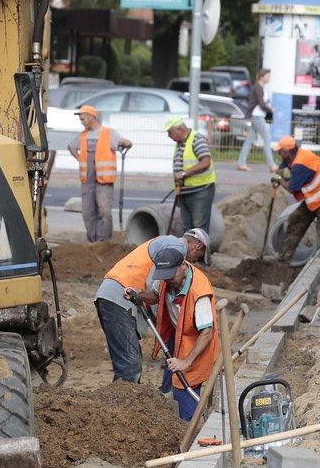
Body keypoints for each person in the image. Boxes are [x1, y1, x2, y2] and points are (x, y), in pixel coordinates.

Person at [96, 232, 208, 383]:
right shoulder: (175, 247)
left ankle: (123, 401)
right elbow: (155, 285)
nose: (192, 262)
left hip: (115, 295)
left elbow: (153, 293)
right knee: (130, 365)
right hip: (119, 296)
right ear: (198, 246)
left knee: (127, 361)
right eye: (198, 257)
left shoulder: (165, 242)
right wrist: (159, 320)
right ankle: (123, 404)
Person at [146, 237, 218, 421]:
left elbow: (207, 332)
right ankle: (170, 413)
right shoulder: (167, 279)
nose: (168, 279)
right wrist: (136, 294)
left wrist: (186, 361)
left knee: (184, 383)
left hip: (196, 342)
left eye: (171, 274)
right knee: (170, 377)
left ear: (183, 266)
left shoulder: (198, 291)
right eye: (164, 275)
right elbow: (154, 296)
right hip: (177, 336)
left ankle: (188, 427)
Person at [68, 105, 132, 242]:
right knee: (88, 212)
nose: (81, 122)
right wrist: (80, 159)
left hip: (104, 180)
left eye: (83, 119)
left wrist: (126, 143)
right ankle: (92, 242)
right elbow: (71, 146)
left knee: (104, 211)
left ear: (92, 117)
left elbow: (124, 142)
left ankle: (103, 242)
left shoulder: (108, 133)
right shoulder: (83, 135)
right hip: (87, 180)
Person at [271, 135, 320, 262]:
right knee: (296, 220)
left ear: (287, 151)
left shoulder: (300, 164)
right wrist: (278, 174)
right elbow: (281, 169)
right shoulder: (291, 157)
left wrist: (279, 180)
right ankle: (284, 257)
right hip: (314, 197)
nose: (279, 152)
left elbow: (292, 189)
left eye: (280, 150)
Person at [165, 116, 216, 234]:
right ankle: (190, 252)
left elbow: (205, 162)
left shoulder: (196, 139)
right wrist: (179, 192)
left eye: (170, 133)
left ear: (179, 129)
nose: (169, 136)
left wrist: (184, 173)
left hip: (200, 190)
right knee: (187, 229)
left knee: (199, 228)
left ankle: (202, 252)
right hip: (185, 191)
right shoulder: (180, 144)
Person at [237, 68, 275, 172]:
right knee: (267, 138)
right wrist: (270, 109)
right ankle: (271, 165)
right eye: (267, 76)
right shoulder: (258, 87)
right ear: (262, 77)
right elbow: (261, 104)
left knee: (250, 139)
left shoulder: (261, 87)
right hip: (257, 116)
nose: (269, 78)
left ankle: (241, 163)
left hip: (257, 115)